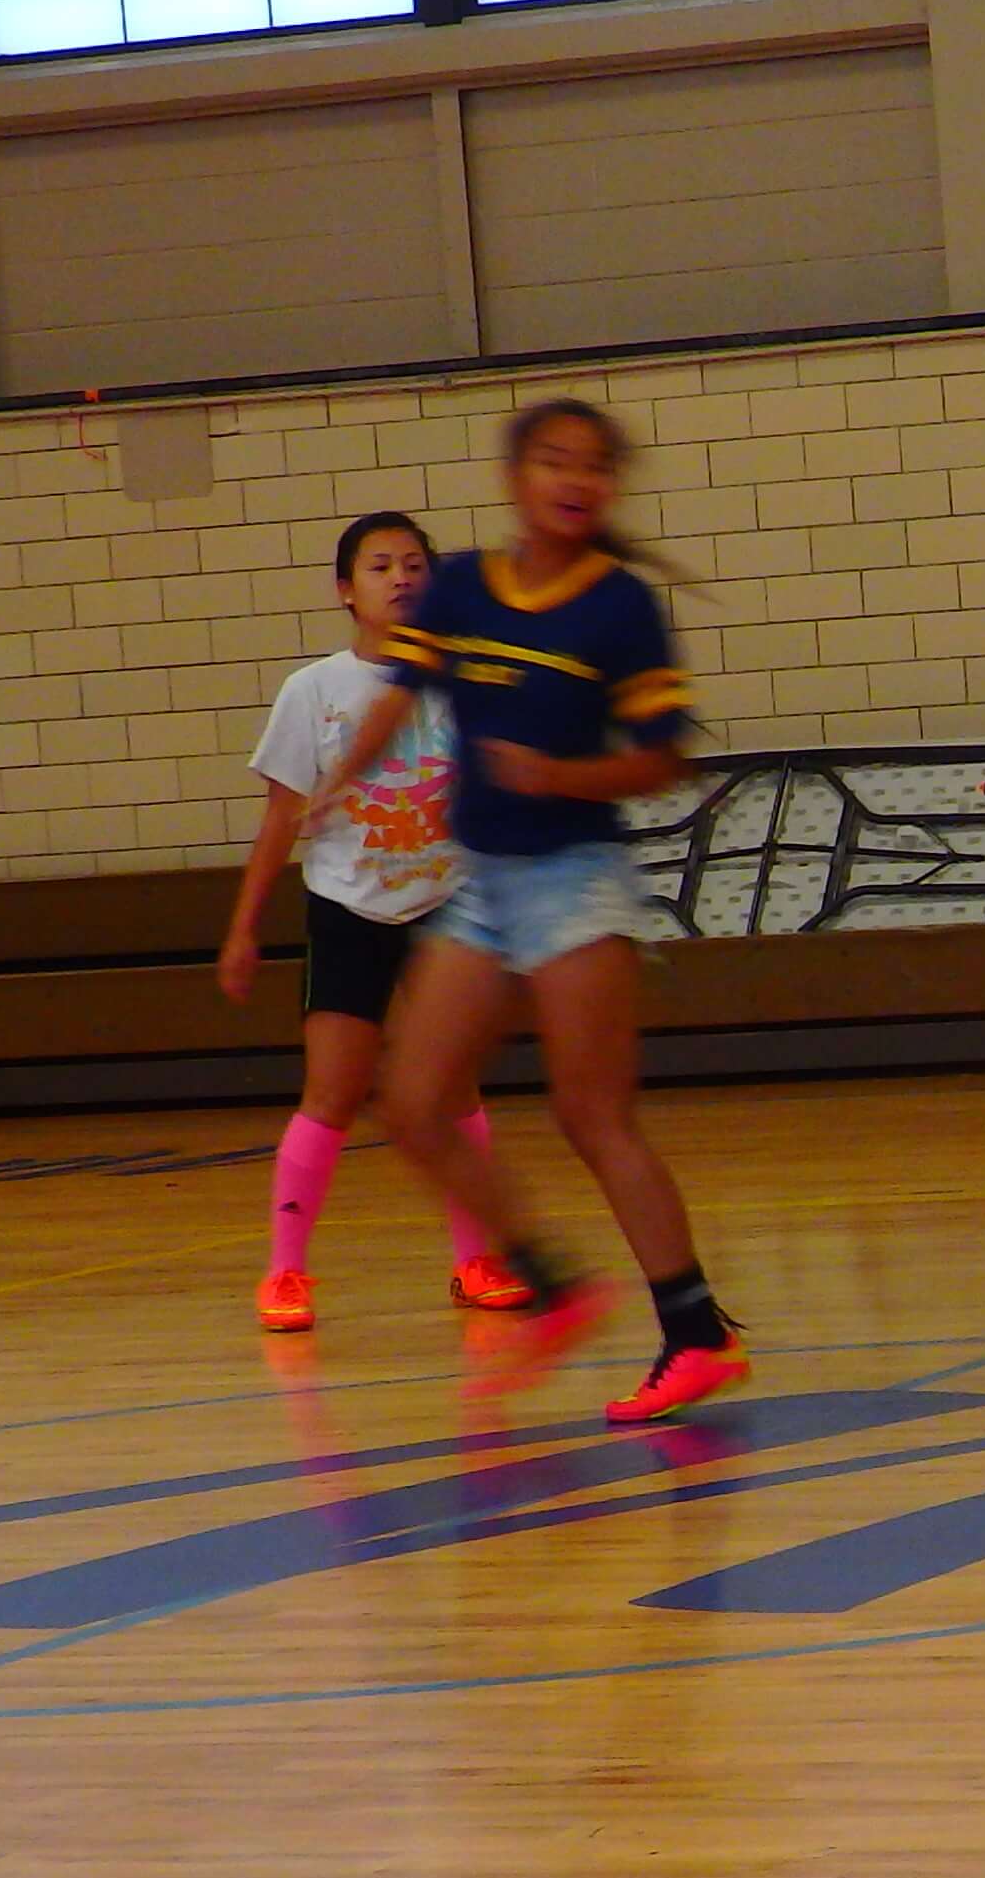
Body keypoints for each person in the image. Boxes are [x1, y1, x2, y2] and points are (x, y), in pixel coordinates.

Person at [321, 398, 748, 1427]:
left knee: (593, 1114)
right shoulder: (463, 585)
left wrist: (561, 774)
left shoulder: (620, 608)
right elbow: (399, 689)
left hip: (575, 875)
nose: (575, 479)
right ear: (517, 477)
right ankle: (551, 1283)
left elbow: (663, 759)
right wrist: (345, 776)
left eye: (595, 466)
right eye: (555, 460)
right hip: (482, 878)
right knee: (413, 1101)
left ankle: (697, 1331)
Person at [212, 509, 537, 1335]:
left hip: (445, 907)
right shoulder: (314, 691)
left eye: (414, 564)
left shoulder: (463, 676)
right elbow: (281, 817)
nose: (401, 578)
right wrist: (244, 928)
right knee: (332, 1092)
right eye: (380, 566)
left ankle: (477, 1260)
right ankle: (286, 1271)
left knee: (453, 1088)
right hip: (351, 907)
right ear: (345, 591)